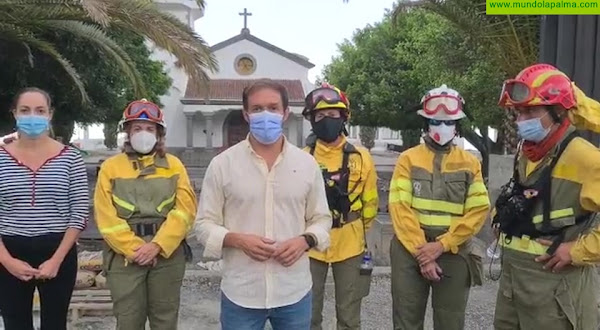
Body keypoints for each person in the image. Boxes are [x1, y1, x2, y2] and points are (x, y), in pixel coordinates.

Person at [195, 79, 332, 330]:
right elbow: (203, 224)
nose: (265, 114)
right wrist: (236, 239)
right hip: (242, 293)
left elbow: (322, 218)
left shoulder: (306, 164)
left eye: (273, 107)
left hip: (294, 291)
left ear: (285, 113)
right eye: (257, 109)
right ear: (246, 115)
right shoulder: (223, 164)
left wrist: (305, 240)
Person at [493, 63, 600, 329]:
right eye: (519, 112)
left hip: (556, 291)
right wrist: (504, 219)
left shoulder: (585, 158)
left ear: (558, 110)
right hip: (513, 286)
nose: (521, 120)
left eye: (531, 111)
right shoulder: (528, 151)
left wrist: (576, 251)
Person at [388, 84, 490, 330]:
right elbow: (400, 209)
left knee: (450, 321)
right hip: (410, 250)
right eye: (436, 121)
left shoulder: (470, 163)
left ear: (457, 126)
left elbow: (478, 210)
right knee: (406, 320)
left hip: (454, 251)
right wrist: (423, 254)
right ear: (426, 123)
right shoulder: (408, 159)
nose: (442, 127)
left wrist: (442, 245)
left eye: (448, 122)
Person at [94, 98, 197, 330]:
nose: (143, 133)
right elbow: (106, 216)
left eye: (149, 129)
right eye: (137, 128)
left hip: (167, 255)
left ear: (159, 134)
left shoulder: (174, 165)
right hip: (124, 257)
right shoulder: (111, 167)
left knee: (165, 319)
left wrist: (157, 246)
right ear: (127, 133)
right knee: (128, 320)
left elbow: (185, 210)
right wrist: (134, 249)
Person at [0, 87, 89, 329]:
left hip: (57, 250)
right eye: (25, 110)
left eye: (40, 110)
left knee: (54, 324)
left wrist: (56, 260)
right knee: (15, 323)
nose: (32, 116)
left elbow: (79, 213)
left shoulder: (71, 158)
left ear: (50, 114)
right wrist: (7, 261)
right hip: (8, 250)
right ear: (14, 113)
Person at [301, 83, 379, 330]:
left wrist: (358, 229)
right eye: (320, 116)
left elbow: (371, 202)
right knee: (308, 312)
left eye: (333, 115)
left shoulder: (361, 156)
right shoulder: (302, 157)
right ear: (311, 120)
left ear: (343, 118)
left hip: (350, 243)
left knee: (348, 313)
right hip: (311, 243)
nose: (327, 120)